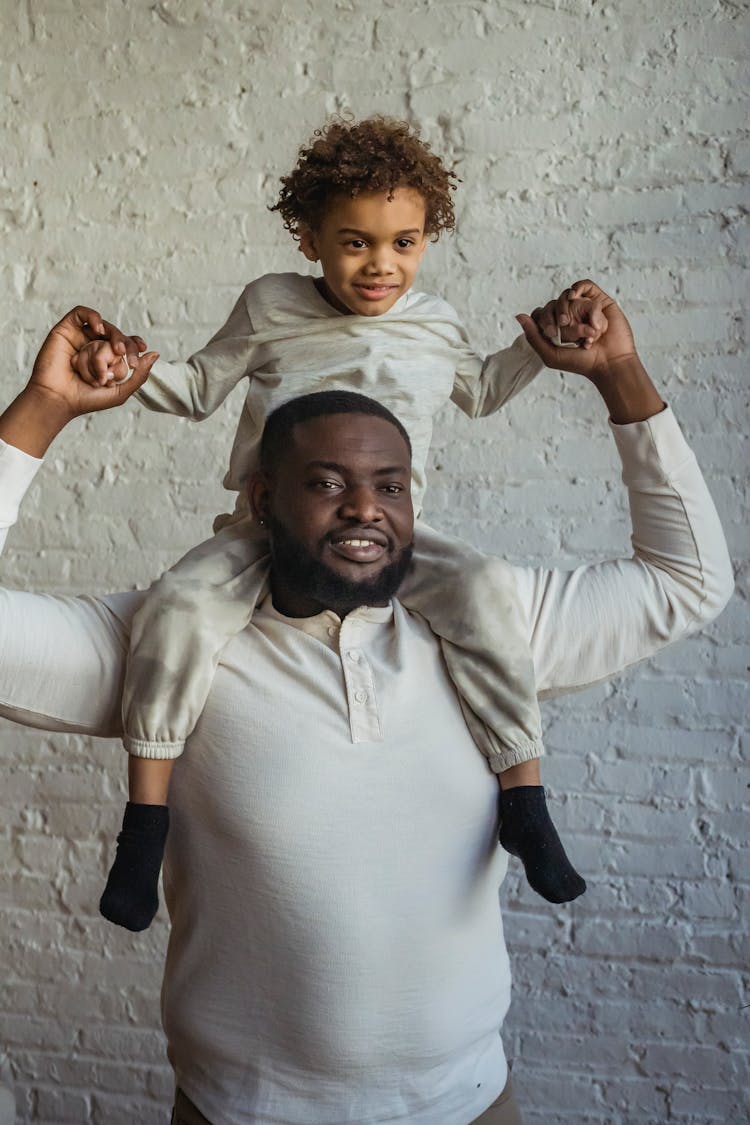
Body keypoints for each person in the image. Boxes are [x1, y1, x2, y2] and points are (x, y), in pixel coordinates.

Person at [0, 289, 733, 1125]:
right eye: (326, 483)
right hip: (242, 1110)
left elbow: (690, 581)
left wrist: (620, 376)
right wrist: (47, 407)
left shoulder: (491, 628)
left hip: (470, 1103)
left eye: (390, 484)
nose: (365, 507)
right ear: (260, 498)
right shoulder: (170, 639)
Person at [72, 115, 608, 932]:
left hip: (394, 538)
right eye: (355, 242)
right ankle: (145, 826)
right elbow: (195, 390)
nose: (381, 265)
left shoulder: (434, 323)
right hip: (272, 531)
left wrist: (543, 343)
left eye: (405, 241)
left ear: (429, 237)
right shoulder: (272, 304)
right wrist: (126, 370)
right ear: (309, 234)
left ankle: (524, 798)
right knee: (177, 607)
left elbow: (484, 390)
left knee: (488, 589)